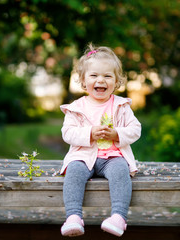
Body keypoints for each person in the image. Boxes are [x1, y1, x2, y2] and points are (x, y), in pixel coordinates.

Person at [59, 43, 142, 237]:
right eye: (94, 75)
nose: (101, 80)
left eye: (107, 76)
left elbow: (135, 129)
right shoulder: (76, 107)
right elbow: (68, 133)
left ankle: (118, 218)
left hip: (112, 156)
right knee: (73, 173)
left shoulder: (121, 106)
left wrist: (117, 134)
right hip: (83, 156)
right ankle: (73, 217)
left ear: (116, 81)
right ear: (83, 80)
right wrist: (89, 133)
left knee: (121, 171)